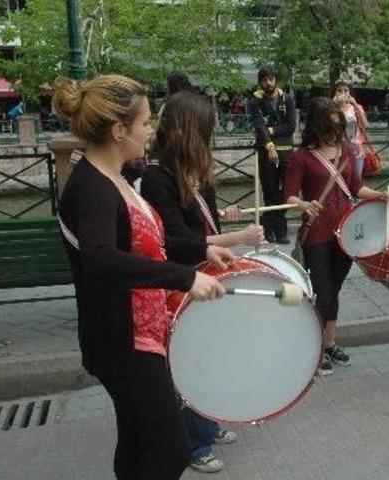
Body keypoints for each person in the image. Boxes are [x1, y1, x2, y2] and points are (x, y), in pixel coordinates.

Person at [53, 74, 233, 480]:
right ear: (119, 130)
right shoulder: (94, 187)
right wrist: (182, 278)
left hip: (141, 334)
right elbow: (101, 260)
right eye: (145, 122)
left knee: (137, 442)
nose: (151, 130)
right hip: (123, 341)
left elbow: (146, 243)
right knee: (170, 450)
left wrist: (203, 250)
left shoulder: (113, 177)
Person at [141, 91, 266, 473]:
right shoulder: (156, 177)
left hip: (205, 275)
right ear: (189, 132)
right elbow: (174, 241)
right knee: (188, 360)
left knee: (209, 355)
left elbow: (205, 226)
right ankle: (192, 442)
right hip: (180, 281)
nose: (210, 140)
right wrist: (238, 238)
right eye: (206, 132)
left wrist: (225, 231)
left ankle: (205, 421)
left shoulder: (195, 175)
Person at [283, 97, 389, 376]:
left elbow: (357, 188)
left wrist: (381, 195)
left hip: (345, 233)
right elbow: (289, 195)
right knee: (323, 292)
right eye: (330, 128)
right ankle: (316, 349)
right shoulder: (302, 158)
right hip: (317, 234)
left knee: (334, 291)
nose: (335, 134)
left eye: (338, 127)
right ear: (317, 127)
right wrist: (303, 205)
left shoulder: (346, 150)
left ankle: (329, 343)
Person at [248, 65, 297, 244]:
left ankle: (274, 226)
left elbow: (291, 127)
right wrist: (269, 145)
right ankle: (274, 231)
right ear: (260, 82)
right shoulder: (254, 102)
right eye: (264, 80)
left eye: (271, 79)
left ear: (275, 79)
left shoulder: (288, 99)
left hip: (286, 151)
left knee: (286, 191)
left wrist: (270, 129)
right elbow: (258, 125)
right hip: (265, 151)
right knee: (269, 191)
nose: (268, 83)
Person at [331, 80, 369, 178]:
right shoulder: (330, 108)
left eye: (346, 90)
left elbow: (365, 125)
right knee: (339, 180)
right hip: (336, 149)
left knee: (356, 179)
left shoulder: (355, 107)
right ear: (334, 92)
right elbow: (330, 126)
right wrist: (337, 106)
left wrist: (355, 104)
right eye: (339, 90)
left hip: (356, 149)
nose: (343, 93)